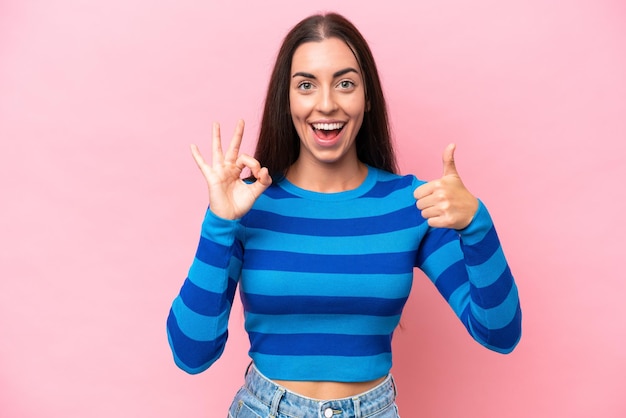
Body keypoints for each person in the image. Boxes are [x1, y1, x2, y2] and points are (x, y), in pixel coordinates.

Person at [167, 12, 521, 418]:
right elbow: (190, 353)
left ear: (367, 98)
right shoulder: (249, 204)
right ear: (287, 99)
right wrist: (219, 224)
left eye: (345, 83)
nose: (326, 103)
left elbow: (500, 332)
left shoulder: (409, 204)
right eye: (306, 85)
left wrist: (478, 223)